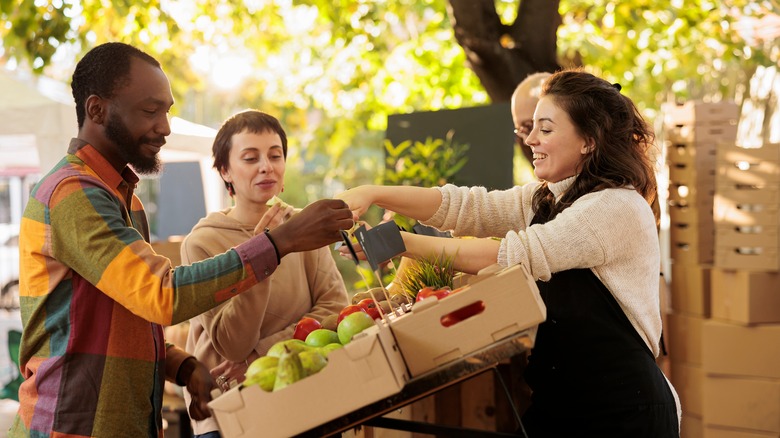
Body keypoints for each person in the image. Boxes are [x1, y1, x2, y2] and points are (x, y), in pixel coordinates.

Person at [11, 42, 352, 438]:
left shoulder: (125, 200)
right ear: (97, 110)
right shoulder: (72, 193)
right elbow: (162, 294)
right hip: (74, 428)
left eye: (167, 111)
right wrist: (277, 243)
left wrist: (184, 367)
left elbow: (131, 313)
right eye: (150, 111)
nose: (165, 127)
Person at [337, 68, 680, 437]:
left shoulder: (616, 207)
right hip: (564, 403)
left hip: (624, 409)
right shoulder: (547, 198)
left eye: (545, 129)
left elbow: (514, 254)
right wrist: (372, 192)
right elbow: (466, 207)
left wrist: (399, 242)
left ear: (589, 140)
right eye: (530, 127)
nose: (531, 139)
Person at [180, 110, 349, 437]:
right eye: (250, 157)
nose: (266, 166)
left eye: (275, 155)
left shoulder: (304, 226)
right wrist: (264, 253)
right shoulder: (202, 242)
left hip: (304, 393)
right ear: (225, 171)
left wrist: (264, 352)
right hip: (231, 408)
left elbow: (335, 308)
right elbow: (232, 346)